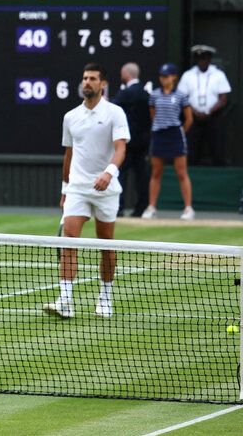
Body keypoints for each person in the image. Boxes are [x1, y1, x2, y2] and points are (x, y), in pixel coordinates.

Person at [44, 63, 129, 319]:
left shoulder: (115, 113)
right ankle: (66, 301)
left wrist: (108, 173)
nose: (87, 82)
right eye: (84, 78)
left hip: (107, 189)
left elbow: (121, 148)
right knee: (69, 243)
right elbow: (68, 155)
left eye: (92, 78)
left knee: (106, 246)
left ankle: (105, 298)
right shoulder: (70, 117)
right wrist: (65, 189)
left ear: (102, 84)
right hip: (78, 189)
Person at [142, 63, 194, 221]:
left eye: (166, 76)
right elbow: (153, 115)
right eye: (161, 76)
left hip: (175, 135)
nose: (163, 79)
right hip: (159, 135)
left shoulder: (181, 96)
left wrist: (179, 133)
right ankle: (151, 207)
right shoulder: (154, 95)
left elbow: (189, 119)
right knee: (156, 172)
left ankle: (188, 208)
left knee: (181, 173)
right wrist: (160, 127)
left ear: (173, 77)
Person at [177, 44, 231, 166]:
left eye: (204, 58)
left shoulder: (218, 74)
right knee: (192, 148)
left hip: (213, 116)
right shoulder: (188, 75)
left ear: (209, 59)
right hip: (193, 117)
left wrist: (209, 111)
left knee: (217, 148)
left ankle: (218, 174)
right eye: (199, 59)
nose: (202, 61)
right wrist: (195, 112)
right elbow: (182, 98)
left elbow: (223, 98)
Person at [111, 62, 149, 217]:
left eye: (122, 74)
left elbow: (111, 107)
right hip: (144, 142)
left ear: (126, 74)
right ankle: (141, 208)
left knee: (121, 175)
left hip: (127, 142)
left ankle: (118, 207)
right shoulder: (146, 94)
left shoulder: (125, 93)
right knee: (141, 177)